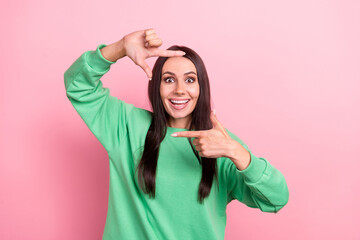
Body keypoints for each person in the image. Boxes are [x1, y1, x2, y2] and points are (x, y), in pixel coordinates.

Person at [64, 28, 289, 240]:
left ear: (202, 88)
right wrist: (120, 47)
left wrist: (237, 153)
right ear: (156, 85)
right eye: (169, 79)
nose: (180, 90)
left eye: (190, 80)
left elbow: (276, 199)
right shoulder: (126, 124)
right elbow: (78, 86)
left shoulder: (220, 144)